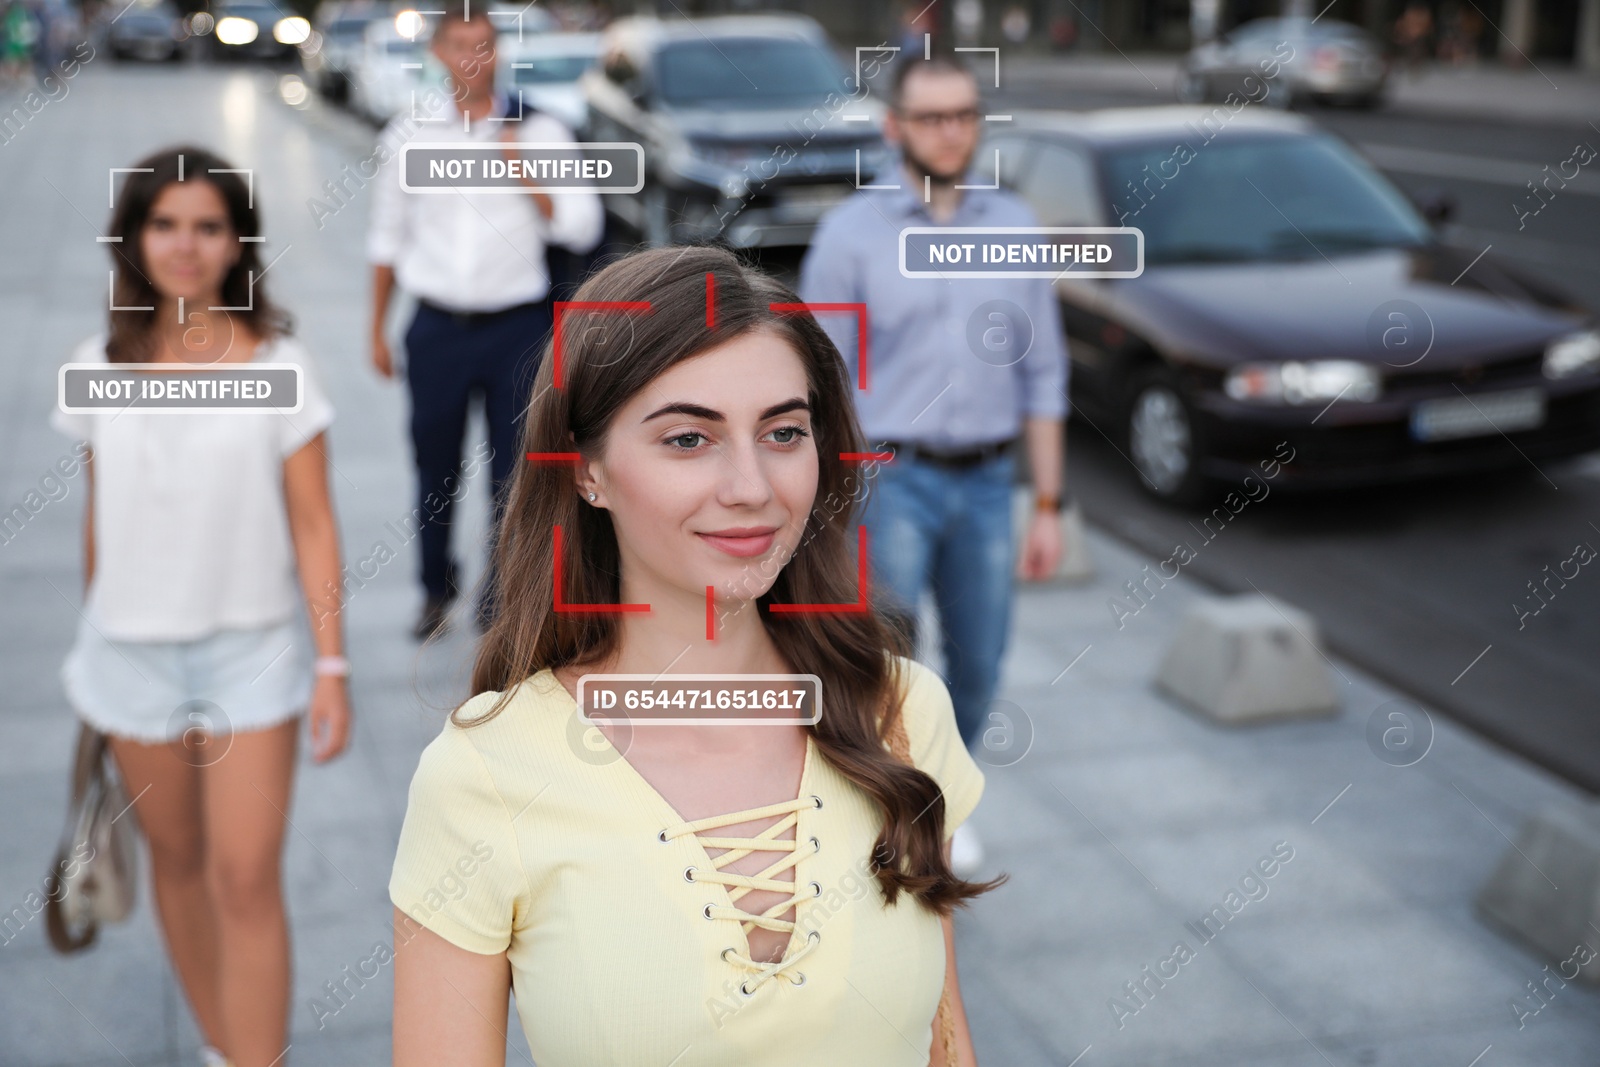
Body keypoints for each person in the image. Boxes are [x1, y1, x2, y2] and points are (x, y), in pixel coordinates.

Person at [389, 245, 999, 1065]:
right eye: (688, 439)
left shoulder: (901, 707)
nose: (752, 485)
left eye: (784, 431)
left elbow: (945, 1037)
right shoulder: (484, 776)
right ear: (587, 470)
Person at [51, 147, 352, 1067]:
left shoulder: (282, 365)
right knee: (177, 868)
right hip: (129, 658)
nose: (186, 245)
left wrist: (332, 664)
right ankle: (228, 1047)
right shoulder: (94, 362)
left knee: (245, 877)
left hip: (250, 660)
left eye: (209, 225)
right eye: (166, 223)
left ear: (237, 243)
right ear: (136, 238)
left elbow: (313, 522)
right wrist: (95, 646)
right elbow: (100, 516)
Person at [798, 54, 1069, 875]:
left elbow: (1045, 371)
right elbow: (818, 380)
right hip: (890, 480)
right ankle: (895, 800)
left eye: (964, 115)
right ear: (894, 127)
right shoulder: (851, 233)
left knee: (980, 658)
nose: (951, 132)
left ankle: (947, 792)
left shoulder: (1015, 224)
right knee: (885, 656)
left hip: (990, 483)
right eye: (931, 117)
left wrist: (1048, 503)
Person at [368, 2, 604, 640]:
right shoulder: (407, 134)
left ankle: (502, 598)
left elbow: (584, 226)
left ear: (499, 52)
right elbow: (387, 238)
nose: (473, 57)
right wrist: (376, 329)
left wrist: (526, 175)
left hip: (517, 329)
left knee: (516, 469)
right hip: (437, 326)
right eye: (459, 44)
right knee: (433, 465)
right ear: (439, 53)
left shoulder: (542, 130)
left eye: (485, 44)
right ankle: (432, 590)